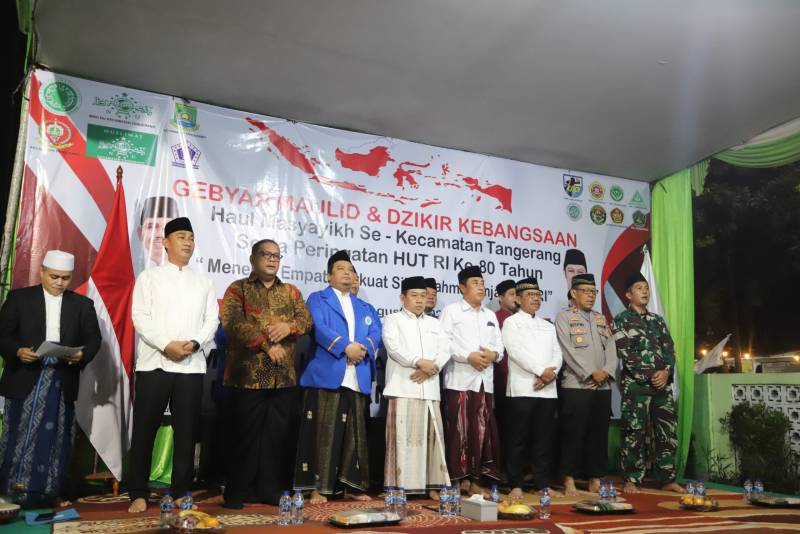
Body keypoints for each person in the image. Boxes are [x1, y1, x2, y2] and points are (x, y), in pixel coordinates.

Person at [128, 217, 219, 513]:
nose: (188, 242)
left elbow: (211, 321)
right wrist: (167, 344)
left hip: (190, 366)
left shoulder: (203, 282)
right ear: (165, 242)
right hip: (154, 363)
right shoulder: (149, 278)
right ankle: (138, 491)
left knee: (186, 432)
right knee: (145, 430)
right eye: (181, 237)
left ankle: (181, 491)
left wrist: (194, 343)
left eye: (191, 237)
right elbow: (140, 317)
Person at [0, 250, 101, 507]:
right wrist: (17, 351)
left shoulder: (82, 305)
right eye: (54, 276)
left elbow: (94, 340)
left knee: (57, 436)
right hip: (25, 377)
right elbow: (3, 335)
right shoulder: (19, 298)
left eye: (65, 278)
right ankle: (9, 491)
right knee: (18, 435)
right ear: (42, 271)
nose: (59, 282)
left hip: (62, 379)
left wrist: (81, 355)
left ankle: (49, 493)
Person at [221, 239, 313, 508]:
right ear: (253, 259)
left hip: (281, 377)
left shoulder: (291, 292)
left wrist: (288, 326)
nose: (272, 259)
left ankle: (269, 490)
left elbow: (306, 321)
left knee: (276, 437)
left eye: (277, 255)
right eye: (266, 254)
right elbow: (233, 322)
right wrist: (266, 345)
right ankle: (237, 492)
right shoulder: (238, 288)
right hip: (248, 377)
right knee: (245, 436)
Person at [294, 250, 381, 503]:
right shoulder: (318, 299)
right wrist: (345, 347)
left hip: (357, 374)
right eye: (341, 269)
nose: (347, 273)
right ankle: (316, 488)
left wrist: (361, 349)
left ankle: (351, 487)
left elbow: (376, 332)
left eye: (350, 270)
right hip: (327, 374)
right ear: (328, 276)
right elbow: (318, 328)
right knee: (322, 432)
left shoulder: (364, 307)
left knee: (355, 434)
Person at [613, 272, 683, 494]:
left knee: (667, 431)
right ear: (628, 295)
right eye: (639, 288)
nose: (645, 291)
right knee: (634, 431)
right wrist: (652, 374)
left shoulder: (657, 320)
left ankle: (667, 478)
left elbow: (669, 349)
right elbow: (625, 353)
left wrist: (666, 372)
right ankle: (632, 478)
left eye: (646, 287)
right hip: (637, 386)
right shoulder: (621, 320)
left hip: (662, 386)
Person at [382, 276, 450, 499]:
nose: (420, 300)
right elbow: (393, 348)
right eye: (414, 296)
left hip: (429, 388)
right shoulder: (392, 320)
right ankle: (399, 487)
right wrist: (418, 362)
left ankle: (433, 487)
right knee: (403, 440)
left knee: (432, 439)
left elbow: (445, 350)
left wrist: (432, 368)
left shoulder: (435, 323)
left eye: (423, 296)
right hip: (403, 387)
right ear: (402, 297)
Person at [440, 265, 503, 497]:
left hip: (484, 382)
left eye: (482, 282)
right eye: (475, 283)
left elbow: (500, 347)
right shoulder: (451, 311)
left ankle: (476, 481)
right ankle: (456, 482)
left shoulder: (490, 315)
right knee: (458, 432)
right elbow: (444, 343)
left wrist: (493, 355)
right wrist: (468, 356)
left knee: (481, 432)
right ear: (462, 287)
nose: (481, 287)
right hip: (460, 380)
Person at [555, 273, 617, 496]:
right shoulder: (564, 317)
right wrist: (590, 373)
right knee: (573, 433)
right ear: (574, 293)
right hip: (576, 385)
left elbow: (612, 348)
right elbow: (567, 350)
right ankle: (568, 478)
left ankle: (595, 477)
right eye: (586, 291)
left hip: (603, 386)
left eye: (593, 291)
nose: (591, 295)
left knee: (598, 434)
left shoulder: (600, 318)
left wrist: (607, 371)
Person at [501, 278, 562, 499]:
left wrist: (550, 374)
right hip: (522, 389)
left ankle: (542, 483)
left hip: (547, 390)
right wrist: (541, 371)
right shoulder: (511, 323)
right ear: (518, 299)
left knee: (543, 440)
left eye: (538, 295)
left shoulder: (548, 325)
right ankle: (515, 483)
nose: (536, 299)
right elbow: (515, 351)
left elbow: (557, 353)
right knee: (518, 439)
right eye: (530, 295)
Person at [492, 279, 517, 448]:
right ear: (501, 298)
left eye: (517, 294)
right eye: (511, 294)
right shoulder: (494, 318)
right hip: (502, 379)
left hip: (523, 381)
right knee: (504, 423)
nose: (516, 298)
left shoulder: (523, 319)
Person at [135, 196, 179, 271]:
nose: (160, 234)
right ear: (140, 233)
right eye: (151, 226)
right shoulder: (135, 272)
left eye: (169, 226)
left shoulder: (191, 276)